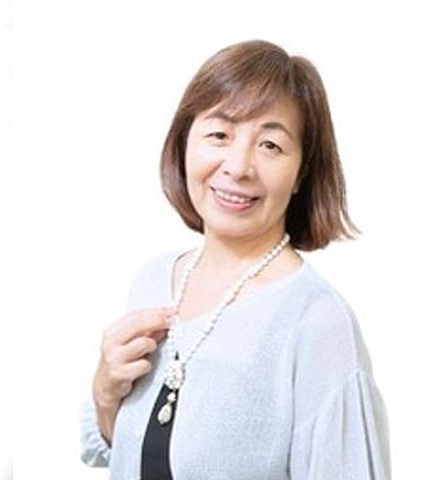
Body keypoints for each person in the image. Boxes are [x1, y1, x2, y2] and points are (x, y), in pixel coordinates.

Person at [81, 39, 390, 479]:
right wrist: (104, 397)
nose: (239, 166)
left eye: (270, 145)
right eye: (219, 135)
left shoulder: (316, 323)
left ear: (301, 173)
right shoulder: (152, 282)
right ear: (184, 142)